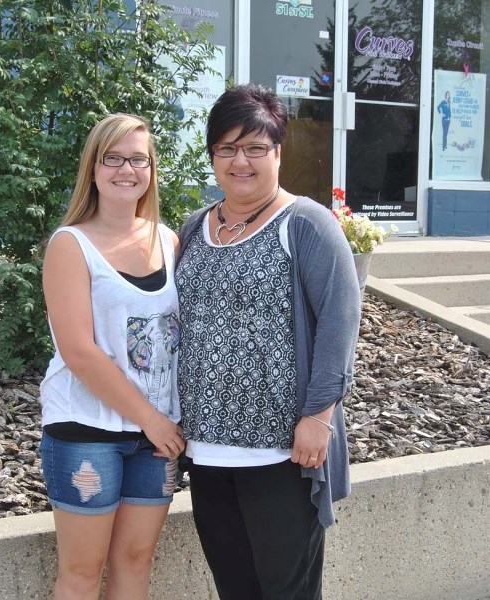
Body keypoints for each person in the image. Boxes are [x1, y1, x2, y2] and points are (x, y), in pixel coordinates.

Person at [175, 84, 361, 600]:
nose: (241, 161)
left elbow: (340, 325)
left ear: (279, 152)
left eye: (255, 147)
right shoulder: (195, 227)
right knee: (235, 588)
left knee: (288, 591)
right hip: (209, 453)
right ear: (213, 155)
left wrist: (319, 417)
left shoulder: (307, 224)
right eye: (227, 148)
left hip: (282, 456)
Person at [40, 113, 185, 600]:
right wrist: (153, 420)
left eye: (138, 159)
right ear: (94, 168)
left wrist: (157, 424)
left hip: (154, 437)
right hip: (88, 431)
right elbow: (79, 353)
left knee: (136, 560)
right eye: (114, 158)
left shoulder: (167, 239)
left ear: (151, 169)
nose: (127, 170)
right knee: (82, 572)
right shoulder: (70, 244)